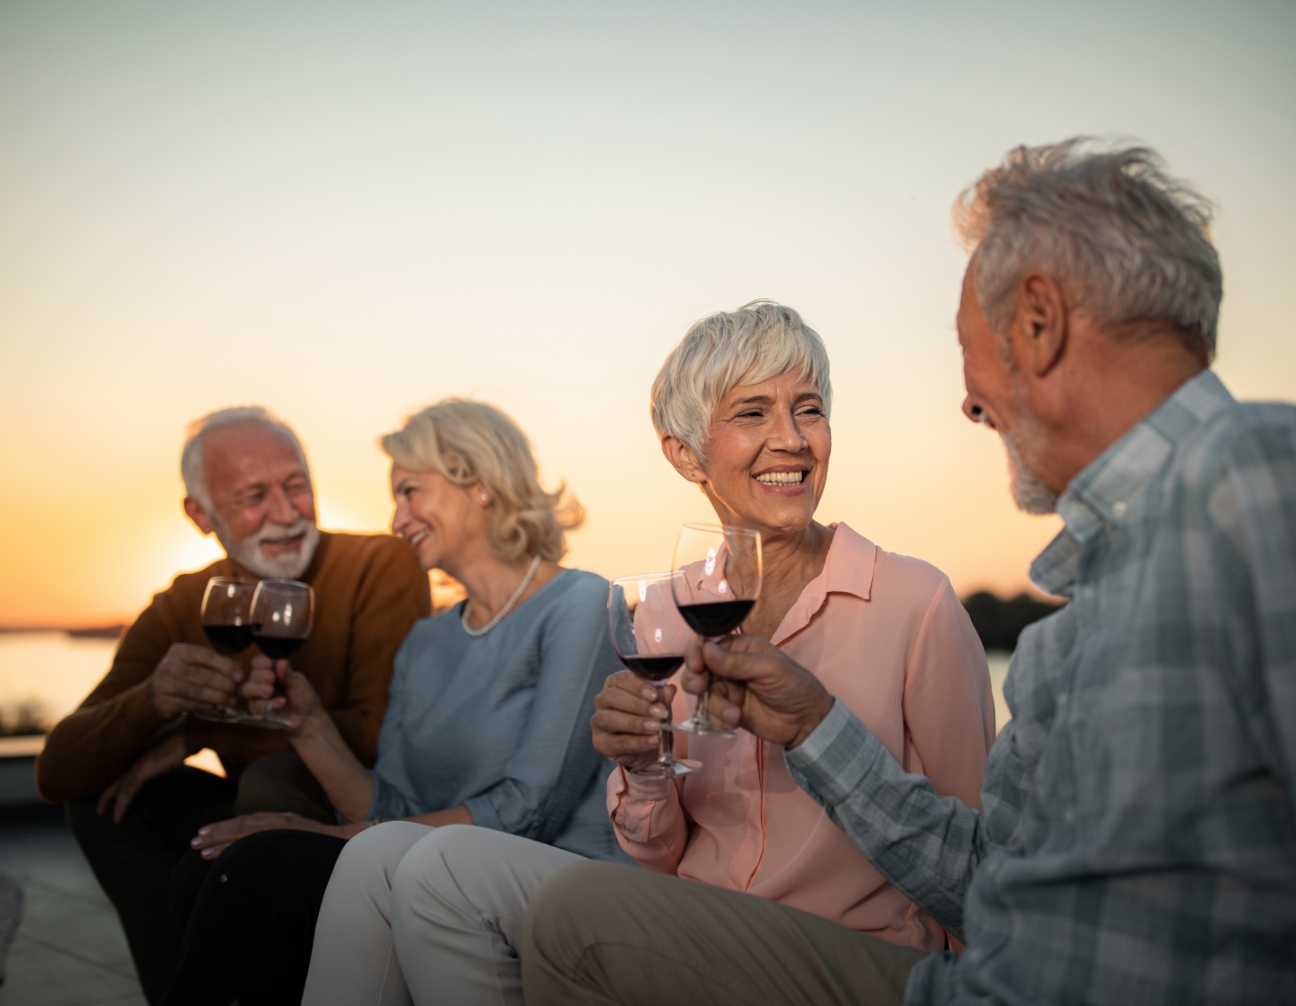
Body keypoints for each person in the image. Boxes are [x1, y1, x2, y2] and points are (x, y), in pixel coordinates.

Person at [518, 141, 1296, 1005]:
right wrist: (817, 727)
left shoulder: (1266, 478)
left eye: (966, 345)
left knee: (570, 925)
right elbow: (989, 883)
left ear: (1038, 321)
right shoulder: (1087, 609)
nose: (969, 397)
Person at [299, 303, 995, 1006]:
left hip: (839, 955)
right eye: (752, 413)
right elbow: (656, 853)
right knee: (390, 857)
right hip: (692, 925)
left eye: (808, 409)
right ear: (685, 454)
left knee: (445, 870)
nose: (791, 439)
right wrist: (643, 769)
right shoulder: (665, 610)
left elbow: (976, 853)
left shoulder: (915, 601)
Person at [155, 397, 627, 1006]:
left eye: (409, 491)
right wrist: (308, 727)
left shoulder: (580, 605)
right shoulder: (427, 640)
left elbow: (527, 809)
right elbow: (392, 803)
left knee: (258, 867)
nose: (397, 518)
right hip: (412, 868)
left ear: (477, 482)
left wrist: (327, 831)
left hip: (545, 881)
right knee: (210, 867)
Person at [33, 405, 429, 1003]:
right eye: (254, 496)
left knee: (273, 777)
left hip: (356, 821)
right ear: (200, 514)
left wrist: (201, 734)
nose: (288, 512)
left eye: (298, 485)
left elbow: (379, 735)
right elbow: (55, 771)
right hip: (248, 811)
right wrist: (150, 702)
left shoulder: (377, 564)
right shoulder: (187, 602)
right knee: (101, 805)